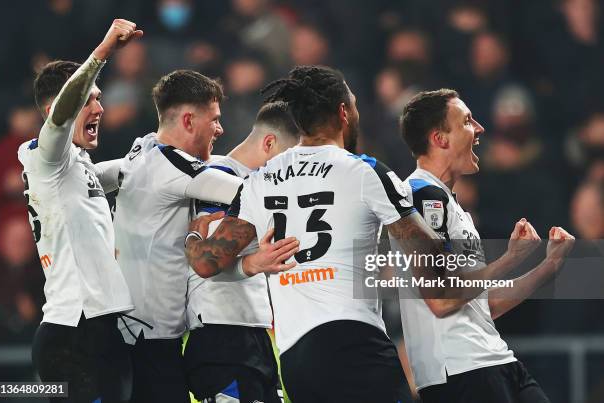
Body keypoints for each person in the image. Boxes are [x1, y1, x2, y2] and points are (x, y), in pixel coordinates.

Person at [184, 65, 445, 403]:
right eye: (353, 104)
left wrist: (193, 238)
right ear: (343, 112)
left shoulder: (260, 180)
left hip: (296, 360)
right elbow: (427, 252)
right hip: (354, 342)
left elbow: (207, 264)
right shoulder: (364, 169)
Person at [112, 70, 292, 403]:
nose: (220, 129)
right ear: (189, 120)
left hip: (160, 334)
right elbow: (251, 197)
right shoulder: (192, 172)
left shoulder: (143, 155)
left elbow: (101, 173)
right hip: (163, 335)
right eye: (215, 119)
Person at [398, 88, 575, 403]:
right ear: (440, 139)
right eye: (467, 121)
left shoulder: (450, 205)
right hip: (459, 370)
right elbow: (441, 299)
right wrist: (509, 258)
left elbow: (484, 304)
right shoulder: (421, 197)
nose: (479, 129)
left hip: (495, 359)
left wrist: (548, 267)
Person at [17, 19, 143, 403]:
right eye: (91, 98)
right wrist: (103, 50)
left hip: (98, 328)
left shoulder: (76, 165)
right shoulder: (44, 155)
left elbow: (128, 172)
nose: (100, 108)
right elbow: (61, 115)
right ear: (61, 109)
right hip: (73, 332)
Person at [183, 101, 300, 402]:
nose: (293, 169)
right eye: (290, 157)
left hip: (254, 333)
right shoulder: (217, 178)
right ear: (269, 142)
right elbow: (205, 261)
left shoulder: (259, 185)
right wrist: (250, 265)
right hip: (221, 333)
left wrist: (253, 264)